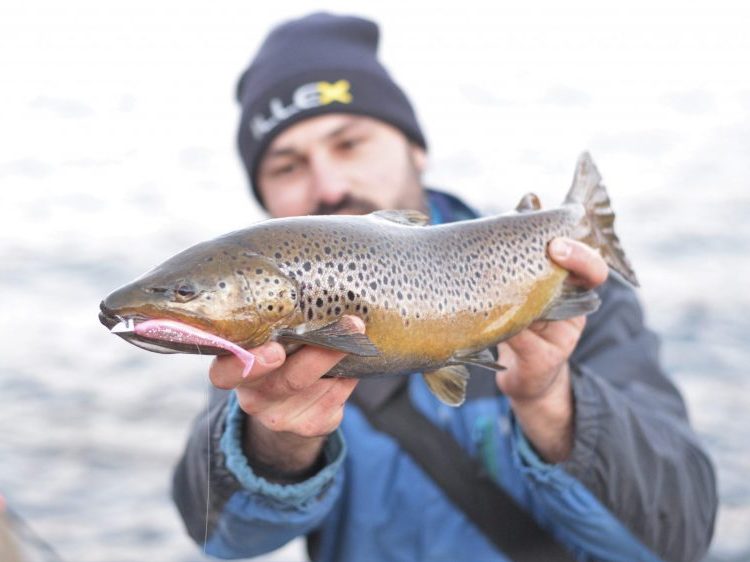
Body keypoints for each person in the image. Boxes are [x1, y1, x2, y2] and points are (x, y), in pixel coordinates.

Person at [172, 12, 717, 562]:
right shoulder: (256, 342)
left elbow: (679, 540)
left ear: (416, 149)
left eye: (350, 144)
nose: (330, 186)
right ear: (266, 206)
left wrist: (552, 404)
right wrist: (275, 443)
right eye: (288, 167)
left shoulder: (563, 291)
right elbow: (219, 537)